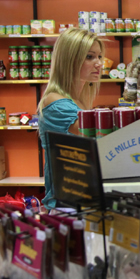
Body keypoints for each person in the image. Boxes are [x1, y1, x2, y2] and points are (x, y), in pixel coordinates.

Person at [37, 28, 105, 209]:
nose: (99, 63)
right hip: (67, 205)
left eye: (99, 56)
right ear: (69, 60)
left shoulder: (77, 101)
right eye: (90, 57)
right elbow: (96, 134)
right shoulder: (56, 103)